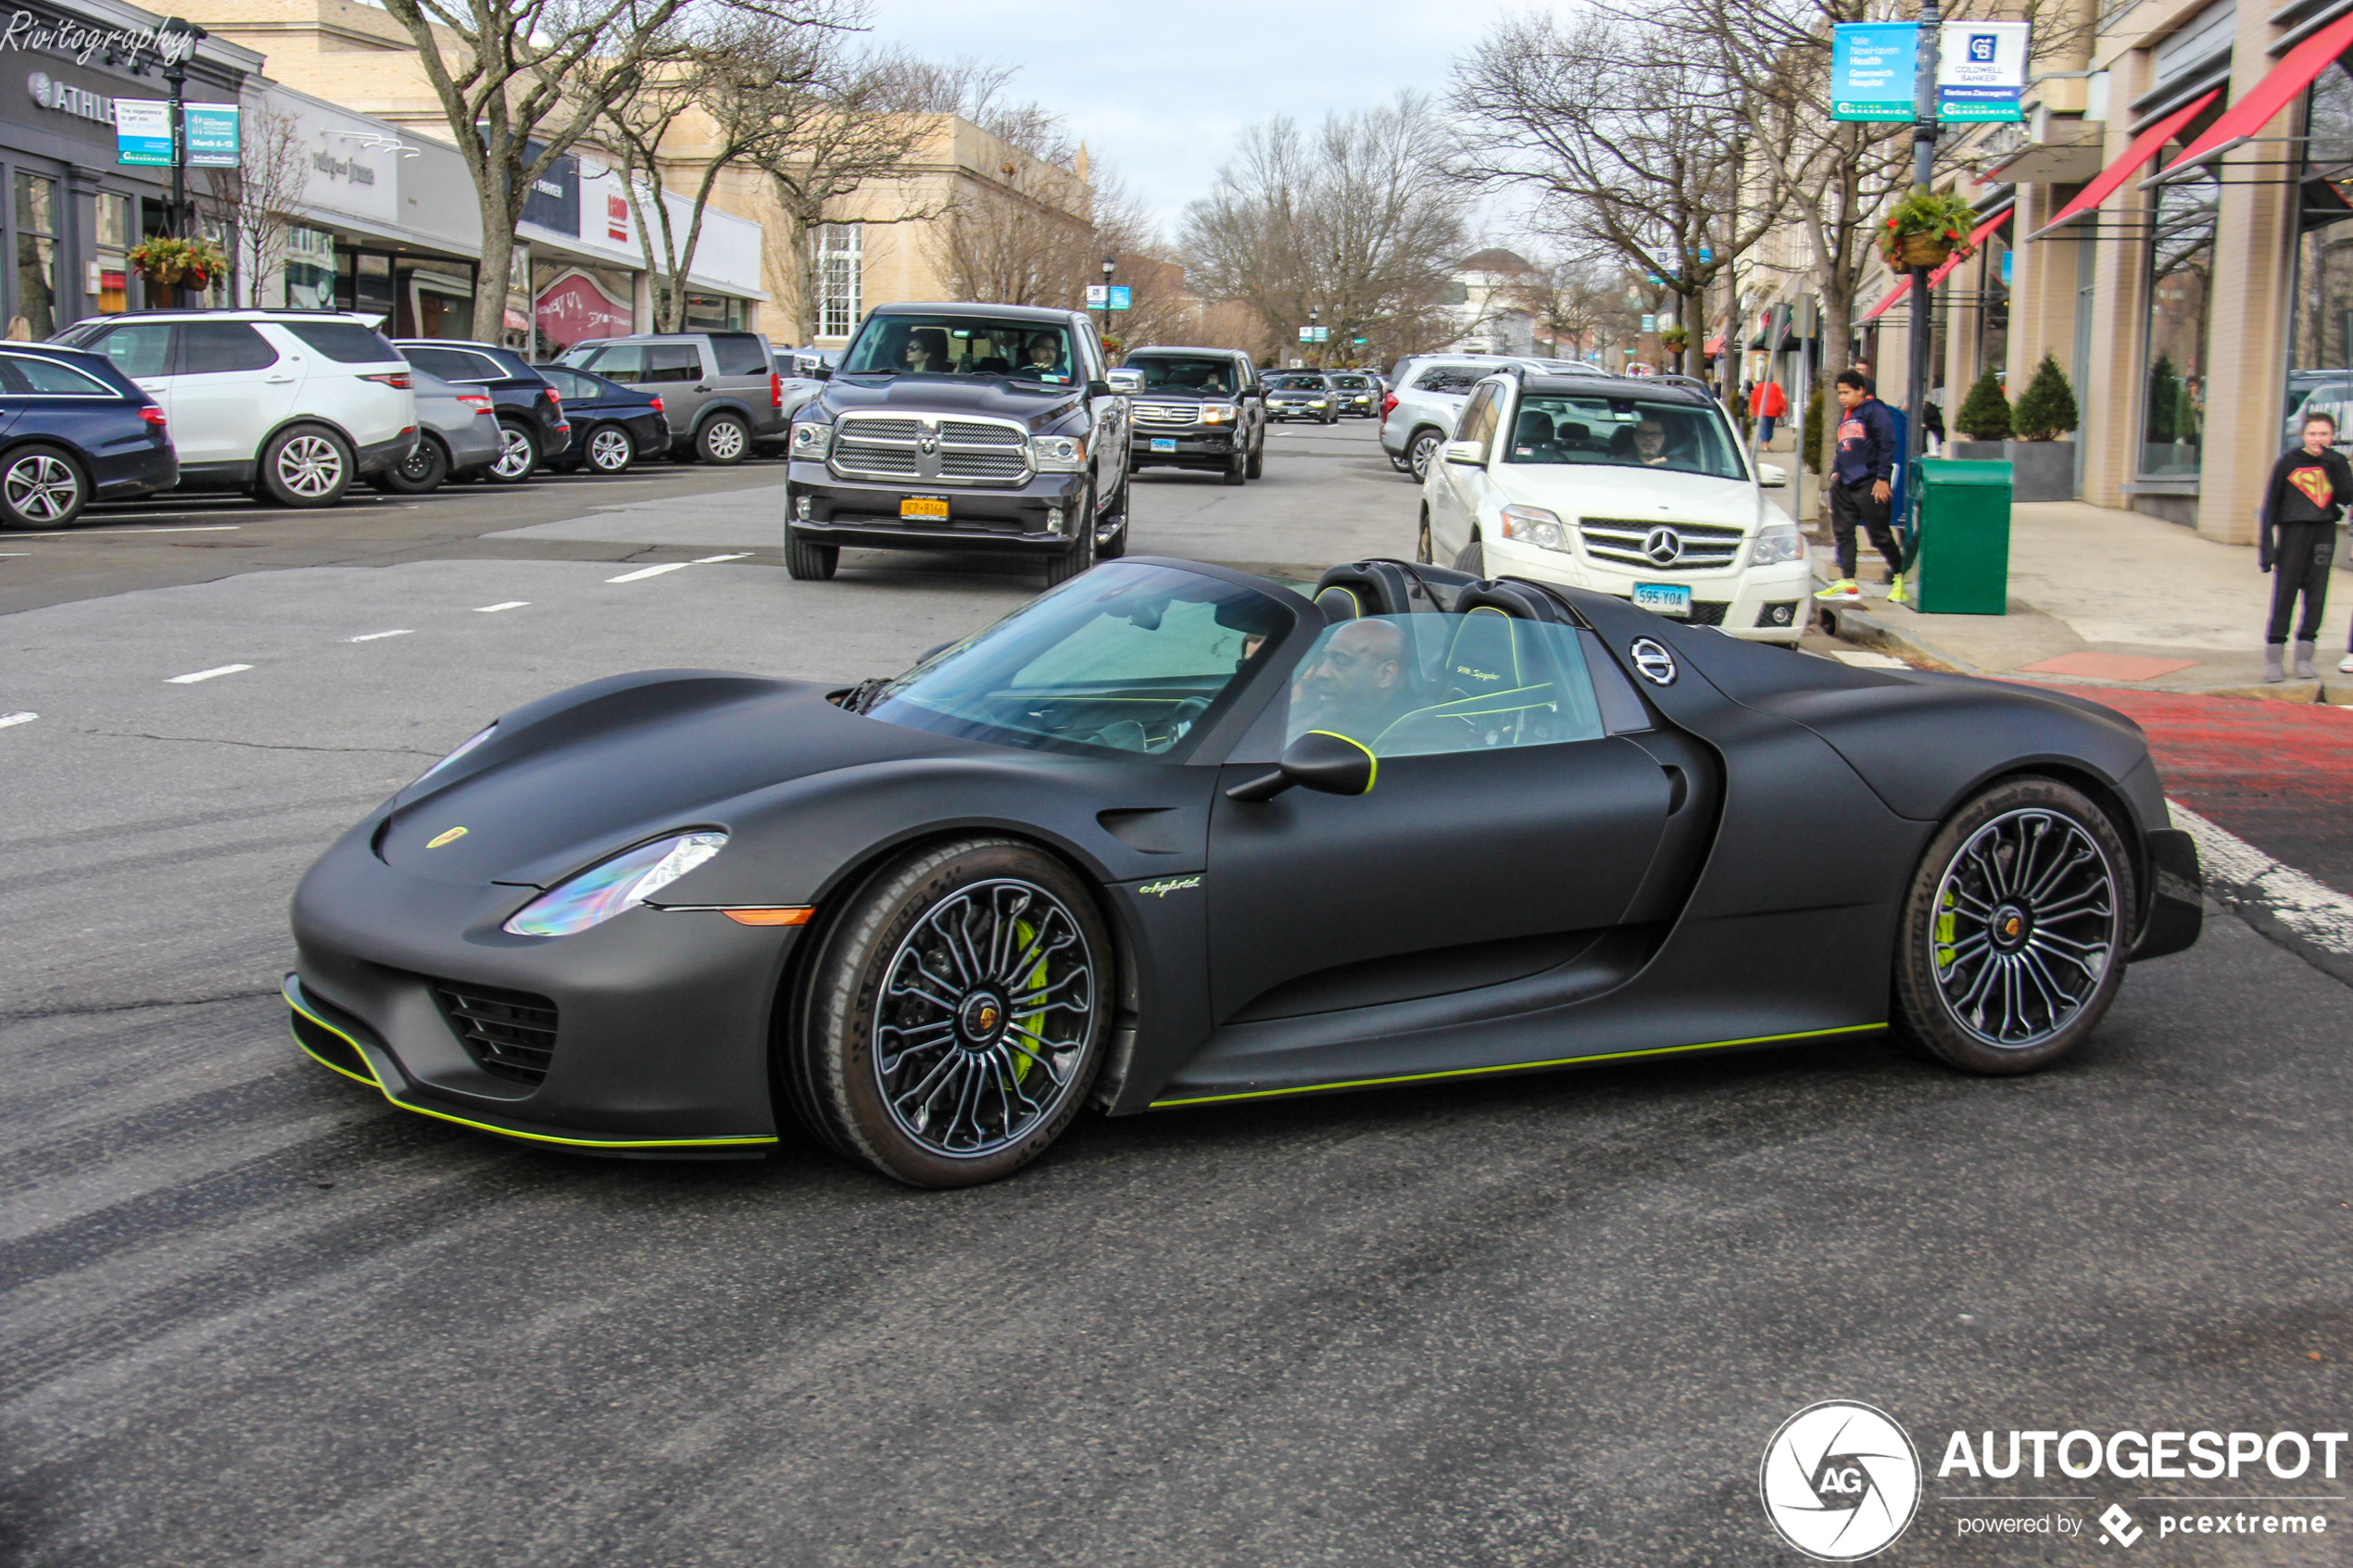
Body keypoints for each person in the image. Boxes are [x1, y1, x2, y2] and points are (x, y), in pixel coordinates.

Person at [2259, 410, 2353, 682]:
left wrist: (2334, 463)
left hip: (2323, 534)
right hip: (2292, 534)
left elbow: (2347, 497)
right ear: (2303, 434)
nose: (2317, 439)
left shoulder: (2336, 462)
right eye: (2312, 433)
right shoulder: (2288, 463)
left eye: (2323, 434)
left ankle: (2304, 656)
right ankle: (2274, 656)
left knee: (2316, 596)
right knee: (2284, 595)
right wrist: (2267, 549)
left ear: (2332, 436)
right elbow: (2270, 506)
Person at [1814, 370, 1899, 604]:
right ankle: (1848, 582)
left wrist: (1882, 478)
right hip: (1845, 482)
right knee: (1843, 533)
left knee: (1879, 535)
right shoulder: (1848, 415)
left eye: (1846, 392)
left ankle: (1899, 576)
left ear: (1861, 390)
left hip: (1869, 482)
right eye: (1839, 393)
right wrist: (1835, 471)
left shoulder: (1875, 411)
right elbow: (1845, 445)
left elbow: (1887, 445)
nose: (1842, 397)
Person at [1291, 619, 1414, 746]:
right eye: (1324, 658)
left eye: (1341, 661)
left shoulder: (1408, 739)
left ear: (1385, 675)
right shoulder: (1319, 707)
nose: (1321, 673)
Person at [1750, 378, 1788, 444]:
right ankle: (1767, 441)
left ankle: (1765, 444)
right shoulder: (1776, 387)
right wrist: (1783, 410)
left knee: (1763, 427)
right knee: (1770, 427)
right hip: (1773, 411)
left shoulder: (1758, 387)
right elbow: (1781, 399)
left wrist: (1753, 409)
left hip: (1761, 410)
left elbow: (1753, 399)